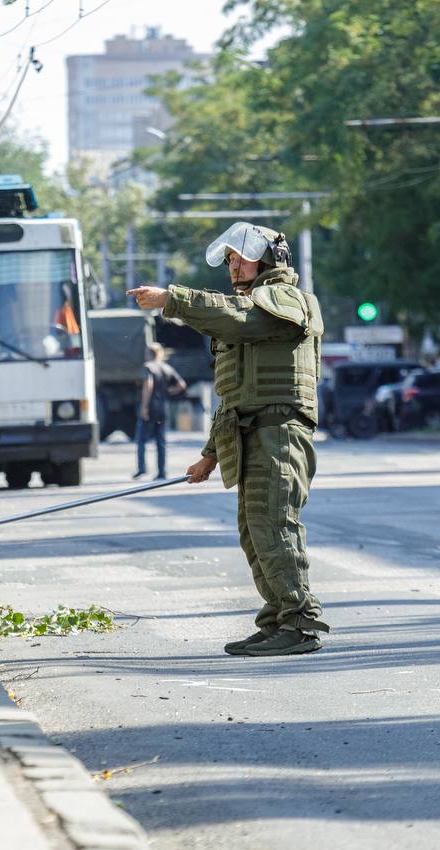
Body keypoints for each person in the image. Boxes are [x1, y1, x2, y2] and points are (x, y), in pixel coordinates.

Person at [127, 222, 327, 657]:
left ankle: (299, 624)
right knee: (254, 530)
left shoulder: (286, 301)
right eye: (231, 258)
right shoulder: (246, 313)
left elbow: (240, 319)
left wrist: (173, 299)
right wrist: (209, 455)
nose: (233, 264)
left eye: (241, 256)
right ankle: (278, 618)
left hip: (279, 433)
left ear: (269, 258)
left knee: (273, 524)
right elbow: (232, 396)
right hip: (250, 432)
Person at [134, 342, 186, 480]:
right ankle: (162, 472)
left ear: (149, 353)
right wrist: (170, 391)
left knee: (141, 439)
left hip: (150, 407)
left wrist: (144, 407)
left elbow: (148, 385)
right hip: (163, 407)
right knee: (161, 441)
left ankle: (142, 468)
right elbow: (182, 385)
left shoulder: (148, 367)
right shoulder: (167, 368)